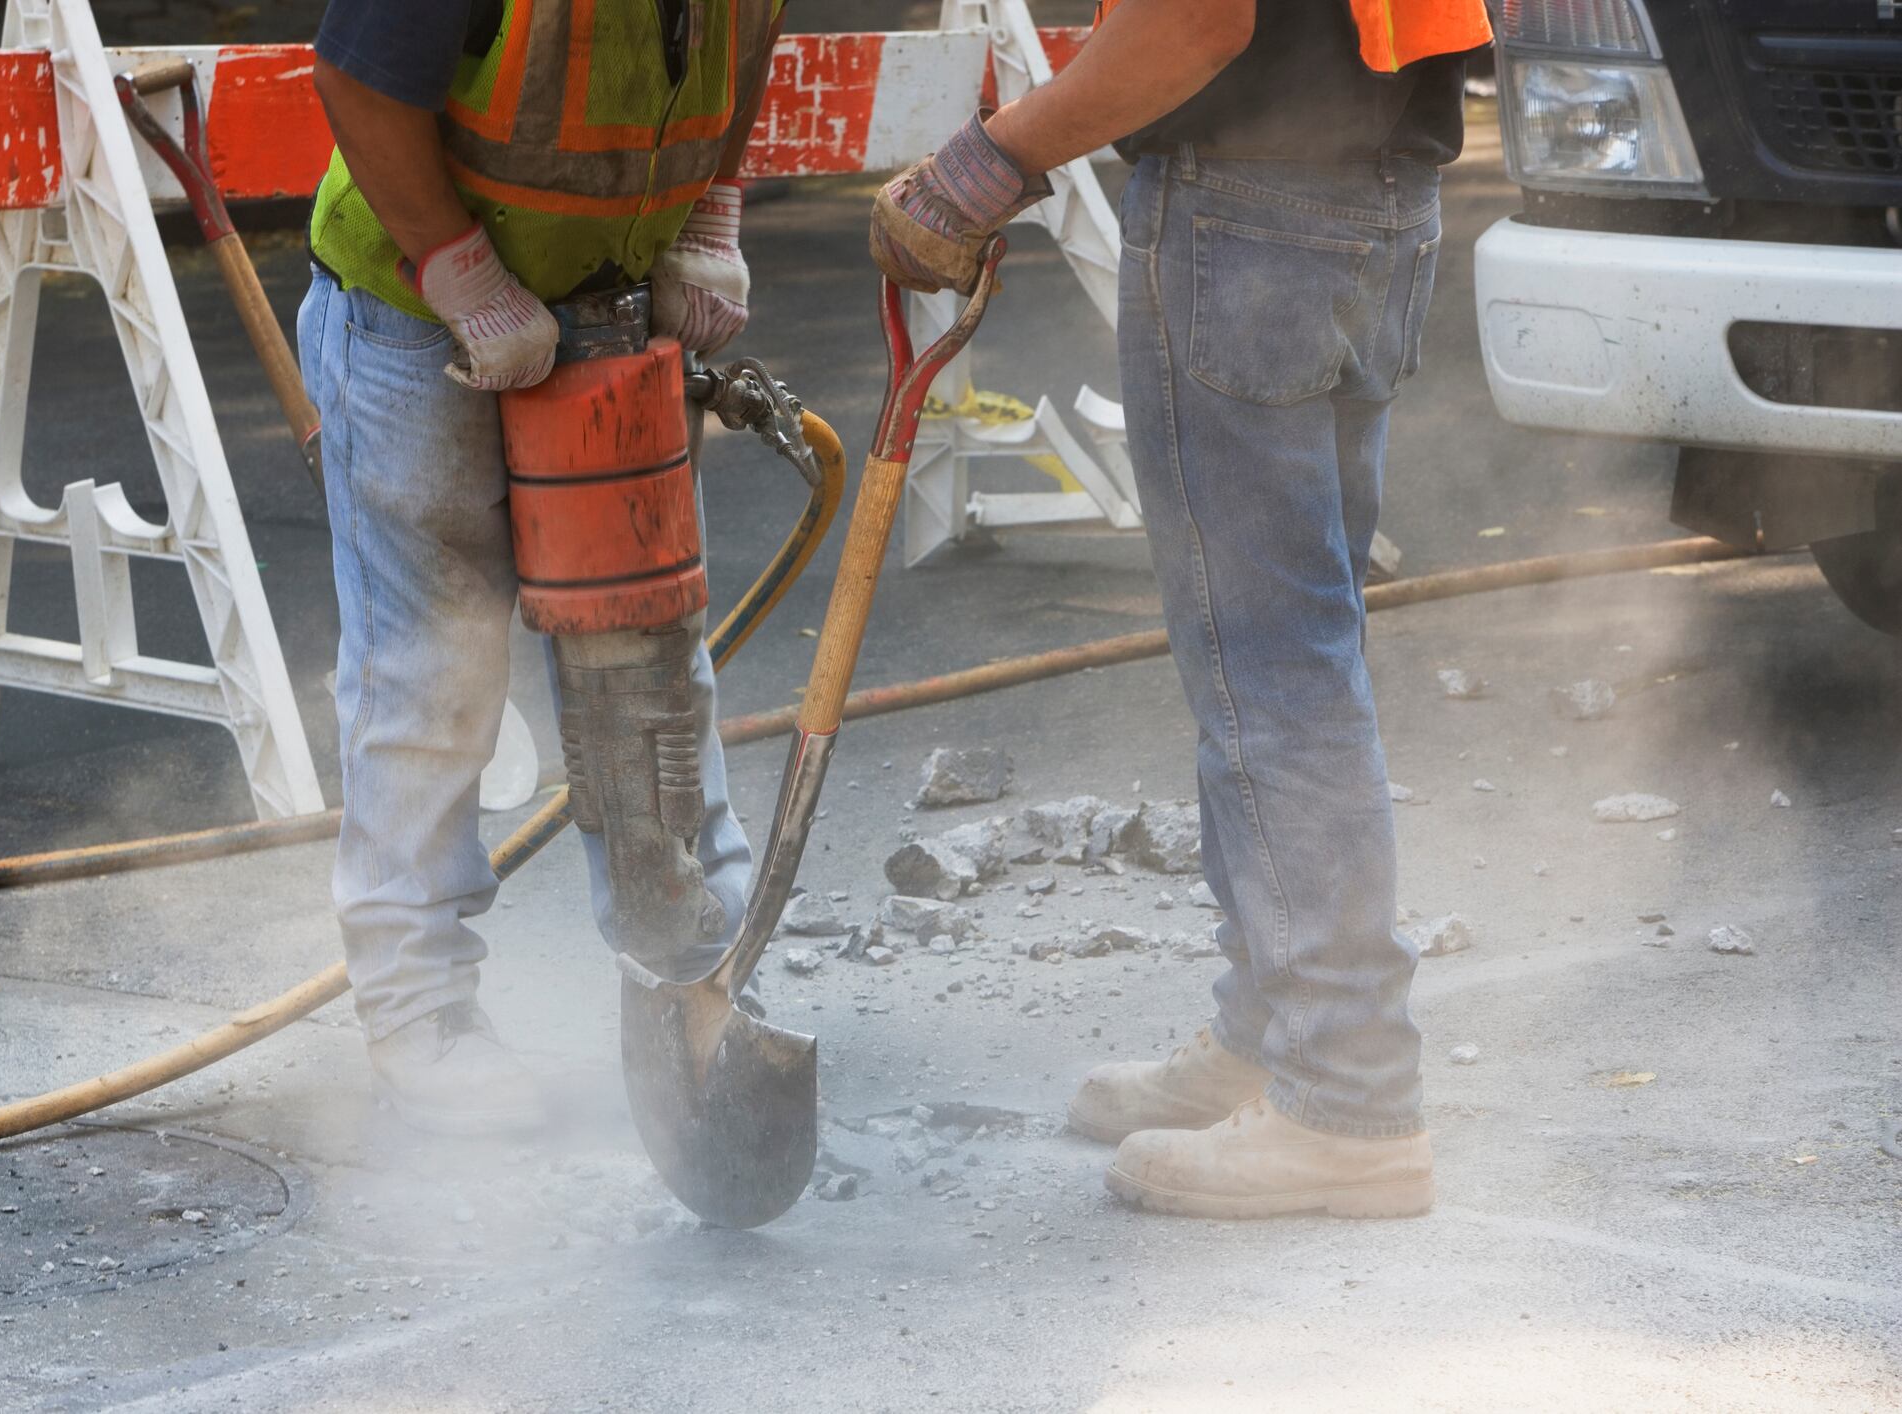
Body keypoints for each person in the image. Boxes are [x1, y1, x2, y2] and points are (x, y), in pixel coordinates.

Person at [870, 0, 1490, 1219]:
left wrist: (987, 163)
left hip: (1248, 218)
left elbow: (1195, 23)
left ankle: (1344, 1096)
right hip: (1375, 198)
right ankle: (1272, 1029)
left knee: (1272, 665)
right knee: (1296, 641)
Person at [300, 0, 784, 1135]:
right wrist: (461, 274)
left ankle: (696, 981)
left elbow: (745, 38)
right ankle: (422, 1014)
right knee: (435, 675)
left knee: (650, 662)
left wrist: (711, 206)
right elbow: (360, 81)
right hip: (417, 317)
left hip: (602, 306)